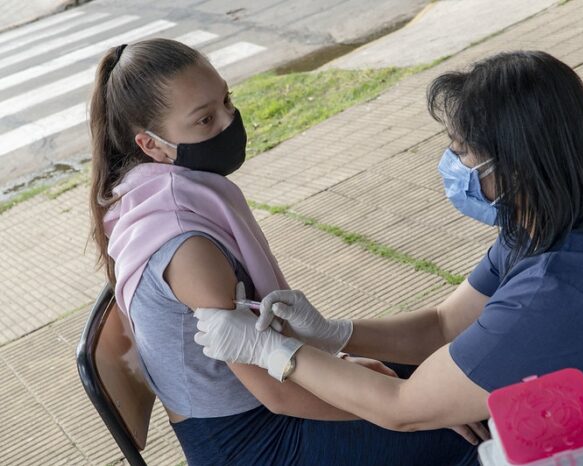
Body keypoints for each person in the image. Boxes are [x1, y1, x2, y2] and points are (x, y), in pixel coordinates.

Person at [194, 50, 583, 439]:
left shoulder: (559, 290)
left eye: (461, 153)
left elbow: (403, 409)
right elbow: (443, 324)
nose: (452, 166)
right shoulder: (576, 215)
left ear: (513, 167)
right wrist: (333, 333)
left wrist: (275, 351)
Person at [88, 38, 480, 466]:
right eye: (204, 119)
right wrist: (412, 411)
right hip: (256, 443)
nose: (229, 121)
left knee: (456, 375)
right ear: (152, 145)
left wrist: (357, 368)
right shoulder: (187, 246)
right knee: (472, 427)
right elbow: (277, 394)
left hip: (273, 403)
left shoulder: (155, 197)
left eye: (226, 100)